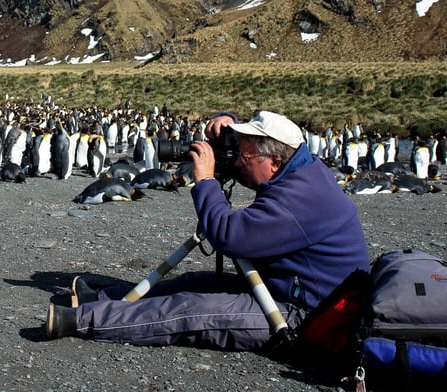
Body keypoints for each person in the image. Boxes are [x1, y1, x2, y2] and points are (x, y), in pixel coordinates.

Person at [46, 110, 369, 350]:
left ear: (272, 160)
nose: (237, 162)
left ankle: (85, 320)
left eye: (243, 155)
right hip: (281, 287)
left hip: (306, 312)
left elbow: (229, 237)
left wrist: (206, 181)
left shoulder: (302, 198)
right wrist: (226, 120)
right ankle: (100, 300)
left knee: (192, 310)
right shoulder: (301, 168)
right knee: (196, 282)